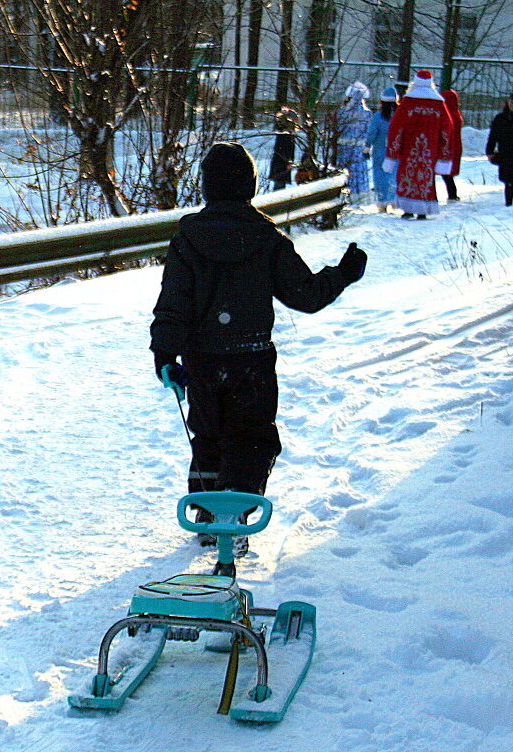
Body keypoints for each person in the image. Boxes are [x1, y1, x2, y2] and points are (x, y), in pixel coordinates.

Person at [149, 142, 367, 570]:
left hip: (203, 360)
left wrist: (165, 356)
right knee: (251, 436)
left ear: (208, 186)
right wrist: (344, 273)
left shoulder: (187, 239)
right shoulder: (266, 237)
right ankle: (235, 511)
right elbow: (304, 294)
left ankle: (211, 516)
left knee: (208, 434)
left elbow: (173, 303)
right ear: (250, 185)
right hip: (251, 359)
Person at [383, 69, 454, 220]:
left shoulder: (408, 102)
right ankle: (423, 210)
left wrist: (392, 151)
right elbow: (447, 128)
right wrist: (444, 153)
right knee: (426, 177)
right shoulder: (439, 104)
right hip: (430, 148)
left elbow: (396, 126)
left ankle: (408, 209)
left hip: (409, 147)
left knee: (407, 175)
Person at [335, 81, 372, 197]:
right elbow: (369, 131)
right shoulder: (367, 113)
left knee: (345, 171)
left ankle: (344, 192)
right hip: (359, 148)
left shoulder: (342, 112)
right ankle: (359, 194)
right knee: (359, 171)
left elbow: (337, 128)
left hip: (343, 147)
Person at [366, 85, 398, 212]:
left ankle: (382, 202)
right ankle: (394, 200)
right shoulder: (400, 114)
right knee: (394, 174)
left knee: (379, 175)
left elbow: (372, 133)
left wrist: (367, 146)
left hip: (380, 150)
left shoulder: (378, 116)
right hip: (396, 150)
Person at [440, 89, 464, 202]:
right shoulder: (456, 113)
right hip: (455, 147)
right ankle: (453, 195)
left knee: (445, 173)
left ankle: (452, 195)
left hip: (447, 147)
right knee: (447, 173)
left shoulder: (448, 115)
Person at [268, 108, 298, 191]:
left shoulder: (282, 133)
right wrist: (289, 162)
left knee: (279, 184)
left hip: (279, 164)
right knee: (279, 186)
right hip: (281, 165)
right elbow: (285, 150)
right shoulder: (286, 135)